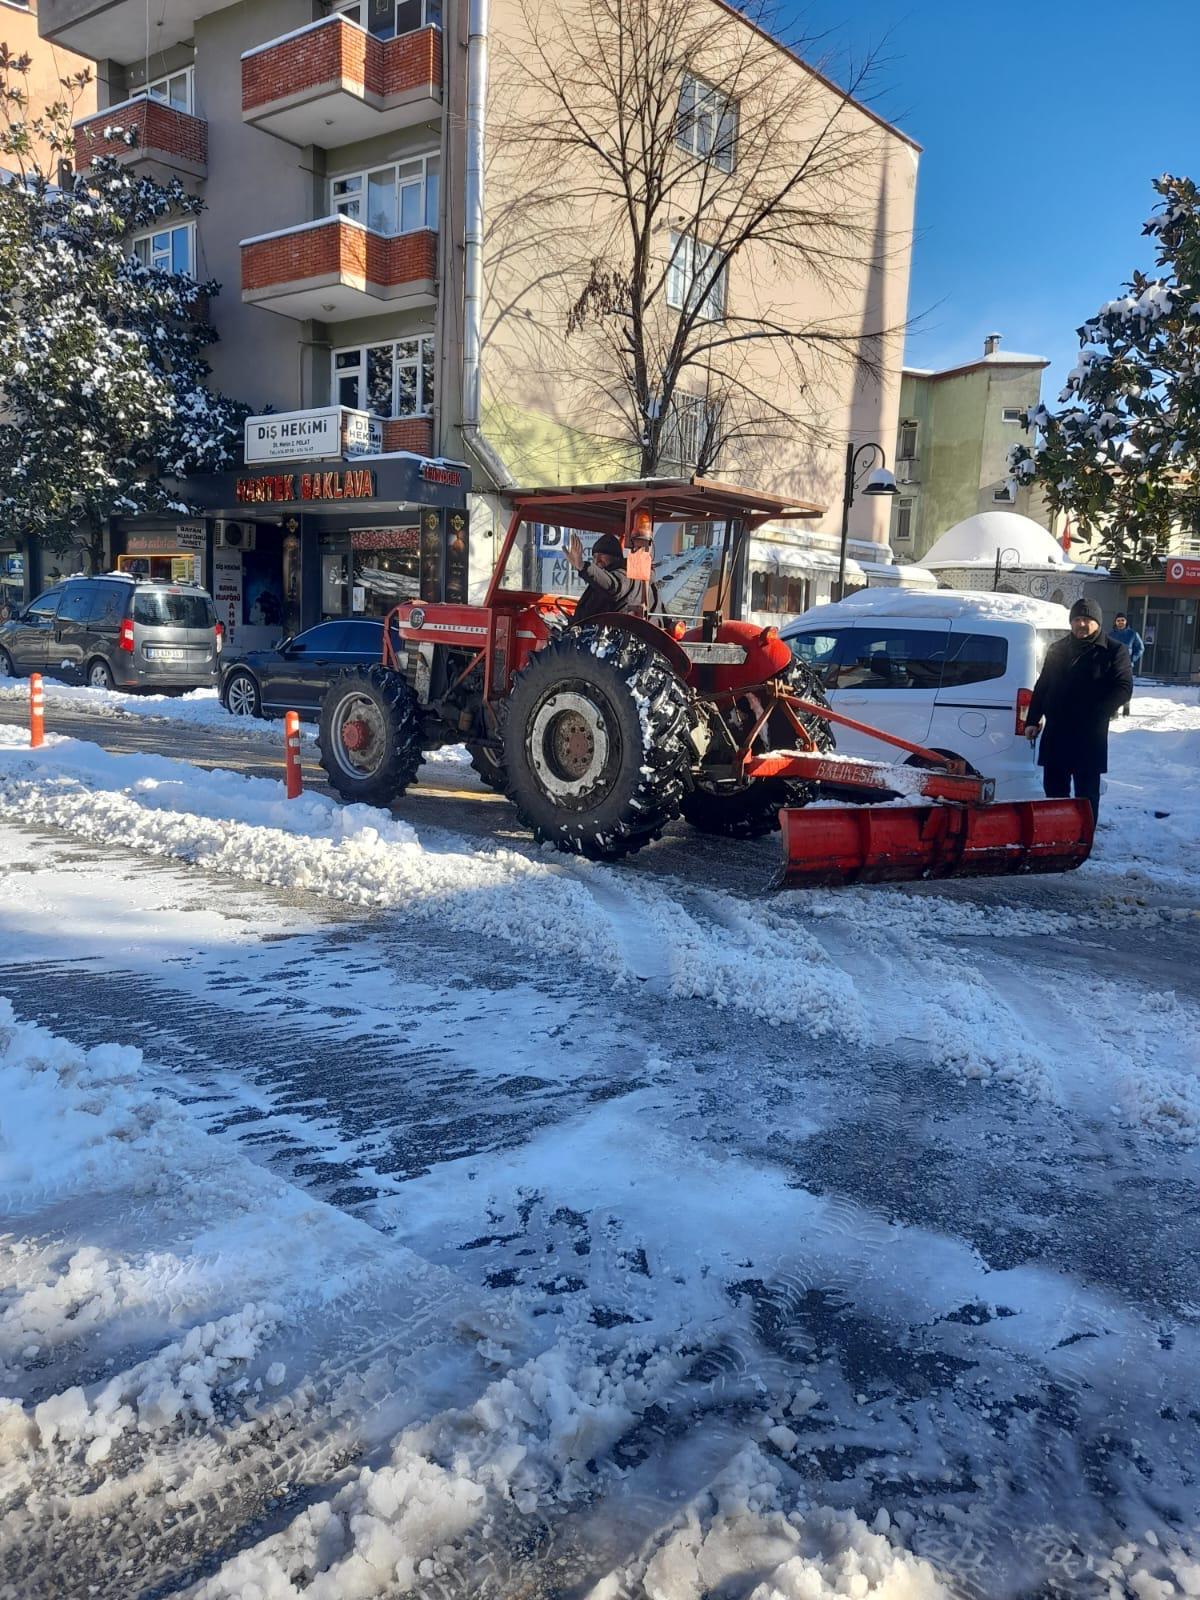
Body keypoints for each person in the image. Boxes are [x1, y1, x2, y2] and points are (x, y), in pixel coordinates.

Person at [1025, 596, 1133, 825]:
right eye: (1077, 619)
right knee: (1054, 792)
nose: (1081, 624)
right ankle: (1057, 836)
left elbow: (1123, 687)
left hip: (1089, 734)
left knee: (1086, 794)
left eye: (1087, 620)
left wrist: (1099, 713)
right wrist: (1032, 720)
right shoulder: (1058, 648)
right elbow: (1043, 686)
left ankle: (1084, 837)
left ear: (1098, 622)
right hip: (1057, 732)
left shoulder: (1114, 650)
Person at [565, 532, 659, 624]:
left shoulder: (625, 575)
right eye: (594, 556)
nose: (597, 560)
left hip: (612, 635)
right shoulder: (599, 581)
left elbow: (614, 585)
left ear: (616, 557)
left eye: (602, 555)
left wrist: (582, 566)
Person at [1107, 612, 1144, 716]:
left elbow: (1140, 648)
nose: (1120, 622)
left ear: (1126, 621)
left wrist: (1132, 659)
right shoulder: (1110, 635)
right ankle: (1114, 710)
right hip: (1113, 666)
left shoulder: (1133, 634)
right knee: (1113, 687)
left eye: (1122, 620)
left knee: (1125, 687)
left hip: (1127, 666)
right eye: (1118, 620)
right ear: (1115, 622)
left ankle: (1126, 705)